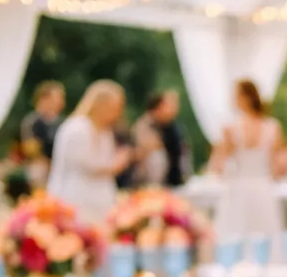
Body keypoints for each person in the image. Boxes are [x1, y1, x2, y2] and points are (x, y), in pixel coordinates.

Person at [210, 79, 285, 253]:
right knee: (266, 238)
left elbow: (217, 166)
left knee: (235, 236)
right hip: (262, 187)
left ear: (244, 98)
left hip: (238, 188)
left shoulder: (230, 128)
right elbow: (277, 167)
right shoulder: (273, 126)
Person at [48, 79, 132, 223]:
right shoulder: (78, 128)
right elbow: (85, 164)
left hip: (99, 202)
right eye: (114, 107)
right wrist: (117, 163)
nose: (117, 113)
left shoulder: (105, 131)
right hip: (75, 201)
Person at [132, 90, 189, 188]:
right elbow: (151, 147)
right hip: (150, 182)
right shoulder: (145, 126)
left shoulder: (171, 126)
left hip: (171, 180)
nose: (173, 109)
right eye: (168, 105)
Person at [20, 81, 65, 163]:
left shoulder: (62, 122)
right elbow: (30, 149)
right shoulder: (32, 121)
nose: (61, 102)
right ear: (44, 99)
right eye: (57, 98)